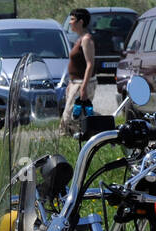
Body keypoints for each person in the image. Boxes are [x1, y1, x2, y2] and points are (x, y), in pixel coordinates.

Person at [61, 7, 95, 135]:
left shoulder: (86, 40)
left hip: (83, 83)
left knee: (70, 116)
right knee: (70, 115)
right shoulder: (79, 39)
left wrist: (83, 87)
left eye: (72, 19)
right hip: (75, 82)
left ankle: (99, 128)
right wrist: (71, 82)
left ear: (80, 22)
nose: (70, 22)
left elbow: (90, 64)